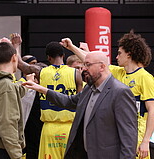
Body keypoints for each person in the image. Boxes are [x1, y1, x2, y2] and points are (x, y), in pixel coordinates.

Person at [23, 52, 138, 159]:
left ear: (102, 67)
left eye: (88, 65)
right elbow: (69, 101)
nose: (84, 69)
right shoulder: (89, 88)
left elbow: (128, 137)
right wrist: (42, 89)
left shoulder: (120, 92)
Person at [60, 30, 154, 159]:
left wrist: (146, 141)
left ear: (129, 55)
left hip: (138, 135)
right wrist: (71, 47)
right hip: (120, 133)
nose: (116, 57)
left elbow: (152, 109)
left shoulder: (145, 77)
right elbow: (93, 61)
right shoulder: (119, 72)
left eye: (119, 53)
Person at [0, 42, 34, 159]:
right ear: (14, 57)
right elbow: (6, 126)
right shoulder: (5, 86)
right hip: (5, 152)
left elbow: (15, 90)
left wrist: (27, 83)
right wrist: (17, 156)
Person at [37, 41, 82, 159]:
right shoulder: (76, 73)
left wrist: (15, 47)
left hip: (49, 128)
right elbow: (80, 103)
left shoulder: (41, 72)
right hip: (69, 128)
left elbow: (23, 65)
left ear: (48, 57)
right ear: (63, 55)